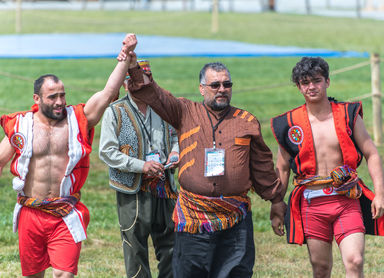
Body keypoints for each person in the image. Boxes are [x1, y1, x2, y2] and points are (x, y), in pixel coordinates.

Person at [117, 37, 286, 278]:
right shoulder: (185, 111)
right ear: (201, 88)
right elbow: (152, 94)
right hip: (193, 215)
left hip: (235, 217)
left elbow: (262, 168)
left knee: (235, 273)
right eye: (215, 85)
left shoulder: (246, 122)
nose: (222, 89)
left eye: (227, 84)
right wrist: (133, 66)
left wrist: (276, 201)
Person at [0, 33, 138, 278]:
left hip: (65, 211)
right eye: (52, 96)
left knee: (64, 274)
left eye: (62, 95)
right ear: (37, 99)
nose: (59, 102)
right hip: (31, 212)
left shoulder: (78, 119)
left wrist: (125, 58)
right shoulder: (21, 126)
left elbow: (107, 94)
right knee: (33, 275)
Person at [270, 57, 384, 277]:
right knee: (321, 268)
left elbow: (371, 153)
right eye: (305, 82)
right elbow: (283, 169)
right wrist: (277, 206)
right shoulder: (289, 123)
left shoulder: (348, 115)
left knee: (355, 260)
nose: (311, 87)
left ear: (327, 82)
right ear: (298, 86)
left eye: (316, 80)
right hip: (311, 203)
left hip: (346, 200)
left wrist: (379, 194)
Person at [98, 60, 179, 278]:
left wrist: (175, 153)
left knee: (172, 244)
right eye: (132, 79)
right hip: (132, 188)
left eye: (144, 78)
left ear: (151, 80)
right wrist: (141, 166)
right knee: (135, 247)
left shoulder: (164, 107)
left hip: (165, 186)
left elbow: (176, 137)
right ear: (124, 84)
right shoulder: (114, 111)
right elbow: (107, 152)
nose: (138, 83)